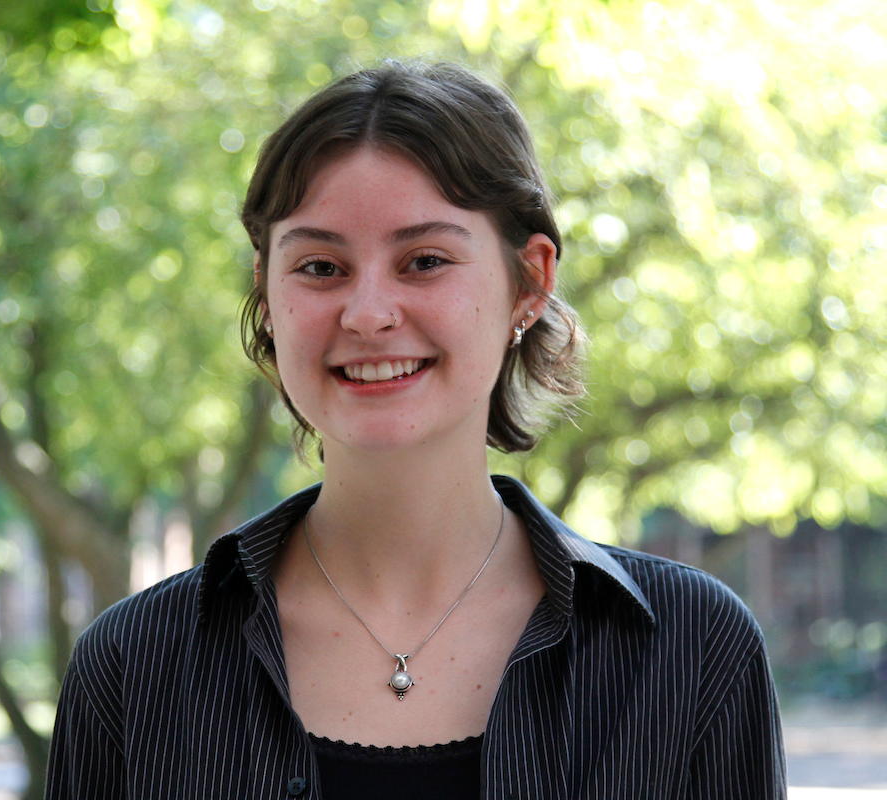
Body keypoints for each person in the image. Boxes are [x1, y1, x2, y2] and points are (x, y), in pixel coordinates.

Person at [44, 60, 786, 799]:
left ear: (529, 282)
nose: (368, 313)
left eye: (424, 260)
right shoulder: (132, 667)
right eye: (320, 266)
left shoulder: (691, 651)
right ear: (267, 297)